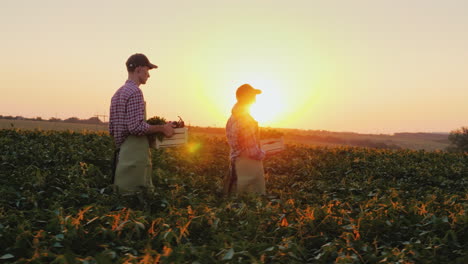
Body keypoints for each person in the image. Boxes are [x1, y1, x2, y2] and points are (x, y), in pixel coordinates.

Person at [109, 53, 174, 194]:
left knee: (122, 198)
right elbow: (136, 127)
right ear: (138, 69)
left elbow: (112, 129)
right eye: (147, 70)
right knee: (138, 199)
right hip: (135, 158)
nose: (148, 75)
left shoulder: (117, 94)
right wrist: (162, 128)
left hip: (122, 155)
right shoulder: (135, 92)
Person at [224, 84, 278, 195]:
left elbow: (237, 144)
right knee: (253, 201)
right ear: (245, 98)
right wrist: (265, 152)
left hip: (236, 161)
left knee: (236, 197)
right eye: (252, 96)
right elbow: (251, 151)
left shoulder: (232, 118)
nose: (254, 99)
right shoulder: (245, 120)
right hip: (248, 165)